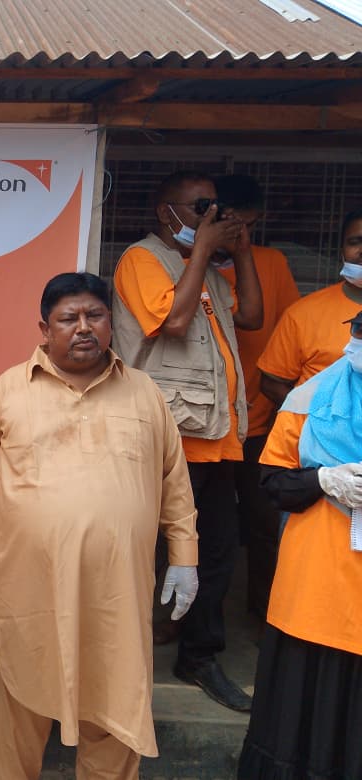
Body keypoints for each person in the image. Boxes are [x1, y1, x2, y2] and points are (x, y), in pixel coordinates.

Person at [0, 272, 199, 779]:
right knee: (20, 699)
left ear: (110, 322)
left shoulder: (144, 393)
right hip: (30, 587)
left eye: (94, 316)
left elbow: (175, 482)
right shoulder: (9, 390)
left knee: (116, 702)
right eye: (69, 318)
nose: (84, 327)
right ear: (45, 328)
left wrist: (184, 558)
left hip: (117, 591)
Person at [111, 170, 262, 712]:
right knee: (153, 551)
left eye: (216, 207)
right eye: (201, 207)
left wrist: (240, 251)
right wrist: (202, 248)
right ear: (165, 211)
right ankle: (124, 654)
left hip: (215, 437)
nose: (211, 216)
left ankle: (198, 655)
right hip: (167, 438)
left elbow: (252, 316)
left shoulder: (210, 270)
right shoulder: (142, 259)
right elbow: (174, 322)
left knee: (217, 550)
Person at [237, 310, 362, 779]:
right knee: (302, 709)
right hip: (316, 586)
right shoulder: (308, 399)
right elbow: (273, 481)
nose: (358, 341)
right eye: (358, 330)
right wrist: (323, 479)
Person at [214, 174, 300, 619]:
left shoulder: (272, 262)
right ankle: (181, 620)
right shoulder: (187, 264)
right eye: (233, 223)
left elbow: (289, 333)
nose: (240, 233)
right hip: (205, 423)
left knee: (264, 524)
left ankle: (265, 615)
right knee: (195, 526)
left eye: (248, 225)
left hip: (260, 419)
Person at [257, 208, 362, 407]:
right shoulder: (303, 313)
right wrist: (317, 417)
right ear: (341, 251)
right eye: (355, 242)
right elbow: (272, 384)